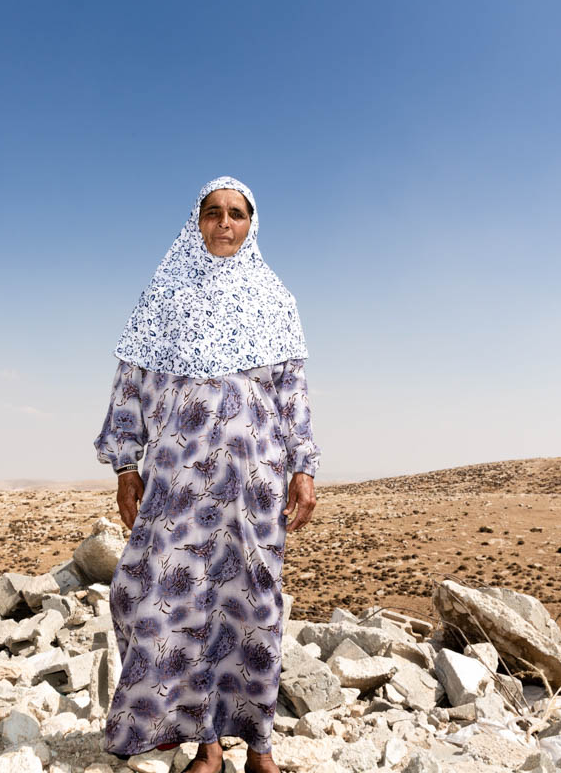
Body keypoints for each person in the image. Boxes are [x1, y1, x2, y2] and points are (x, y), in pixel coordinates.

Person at [93, 176, 320, 773]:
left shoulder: (277, 300)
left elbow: (292, 393)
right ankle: (206, 745)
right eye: (213, 213)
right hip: (177, 479)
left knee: (253, 602)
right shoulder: (164, 299)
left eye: (237, 214)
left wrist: (304, 467)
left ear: (252, 224)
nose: (225, 223)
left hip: (256, 478)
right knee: (164, 598)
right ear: (195, 222)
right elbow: (131, 387)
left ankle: (260, 745)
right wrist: (125, 464)